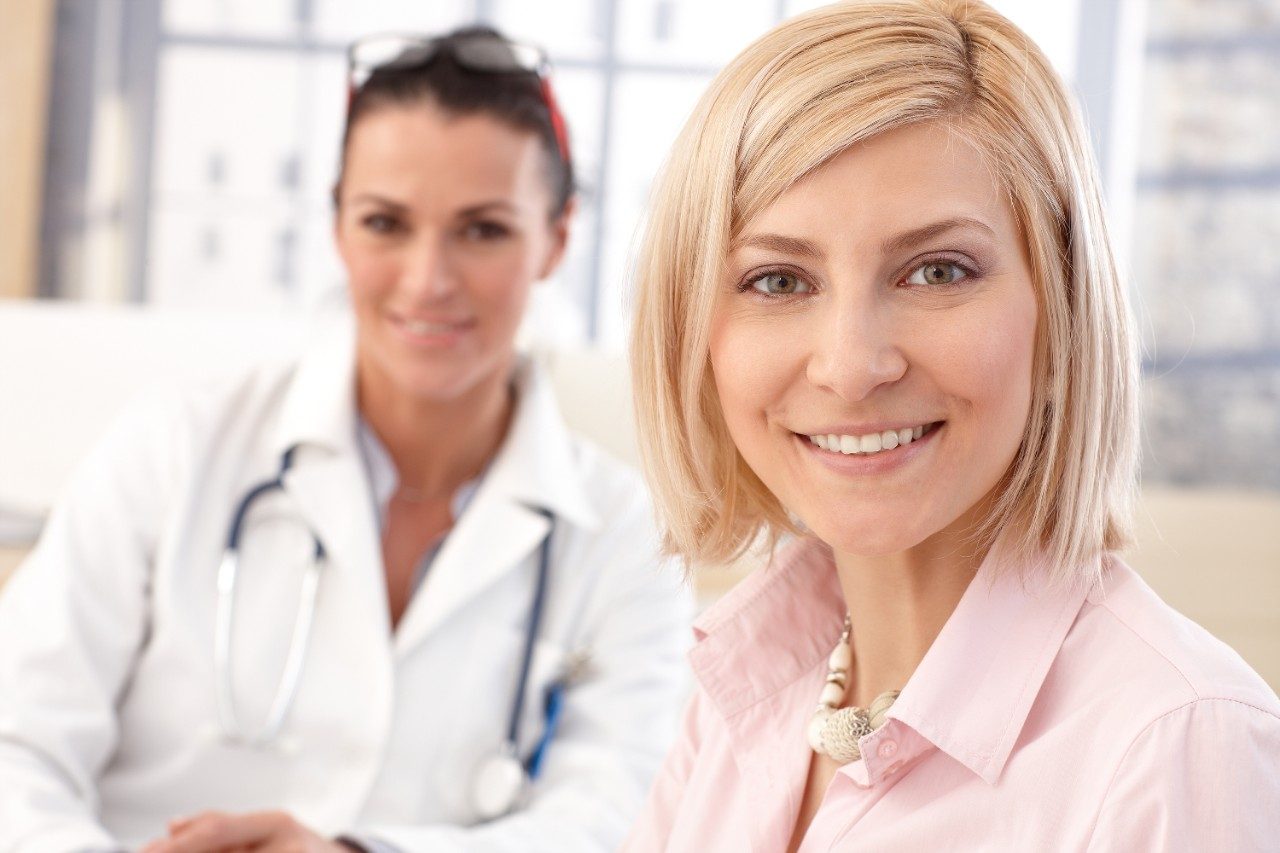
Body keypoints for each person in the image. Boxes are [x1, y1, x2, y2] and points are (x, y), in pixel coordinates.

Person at [0, 26, 691, 852]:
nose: (428, 279)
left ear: (558, 238)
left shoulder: (623, 537)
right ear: (336, 226)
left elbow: (614, 820)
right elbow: (17, 739)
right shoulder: (180, 446)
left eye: (482, 230)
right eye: (385, 222)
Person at [623, 1, 1280, 850]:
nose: (851, 366)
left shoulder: (1179, 743)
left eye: (937, 270)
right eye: (779, 281)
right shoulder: (745, 695)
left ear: (1062, 316)